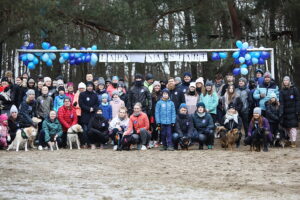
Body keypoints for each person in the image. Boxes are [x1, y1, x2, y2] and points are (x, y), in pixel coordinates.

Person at [279, 76, 300, 148]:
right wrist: (281, 112)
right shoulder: (281, 91)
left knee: (293, 127)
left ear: (289, 81)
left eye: (287, 80)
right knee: (287, 127)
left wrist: (297, 110)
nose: (285, 82)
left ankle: (293, 141)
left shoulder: (294, 89)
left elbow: (297, 100)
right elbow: (281, 103)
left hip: (293, 111)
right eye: (284, 80)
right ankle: (290, 140)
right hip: (285, 112)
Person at [79, 81, 99, 147]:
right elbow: (81, 104)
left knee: (91, 129)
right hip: (85, 115)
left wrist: (93, 108)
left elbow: (97, 104)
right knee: (85, 130)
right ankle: (84, 143)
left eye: (91, 86)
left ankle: (90, 143)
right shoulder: (82, 94)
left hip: (92, 115)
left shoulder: (95, 95)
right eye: (88, 86)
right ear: (86, 87)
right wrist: (88, 109)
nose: (90, 87)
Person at [150, 81, 162, 147]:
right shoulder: (151, 94)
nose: (157, 87)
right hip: (153, 113)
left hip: (161, 113)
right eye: (155, 86)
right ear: (153, 87)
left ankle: (159, 140)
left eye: (158, 86)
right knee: (154, 127)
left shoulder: (162, 94)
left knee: (160, 127)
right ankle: (153, 140)